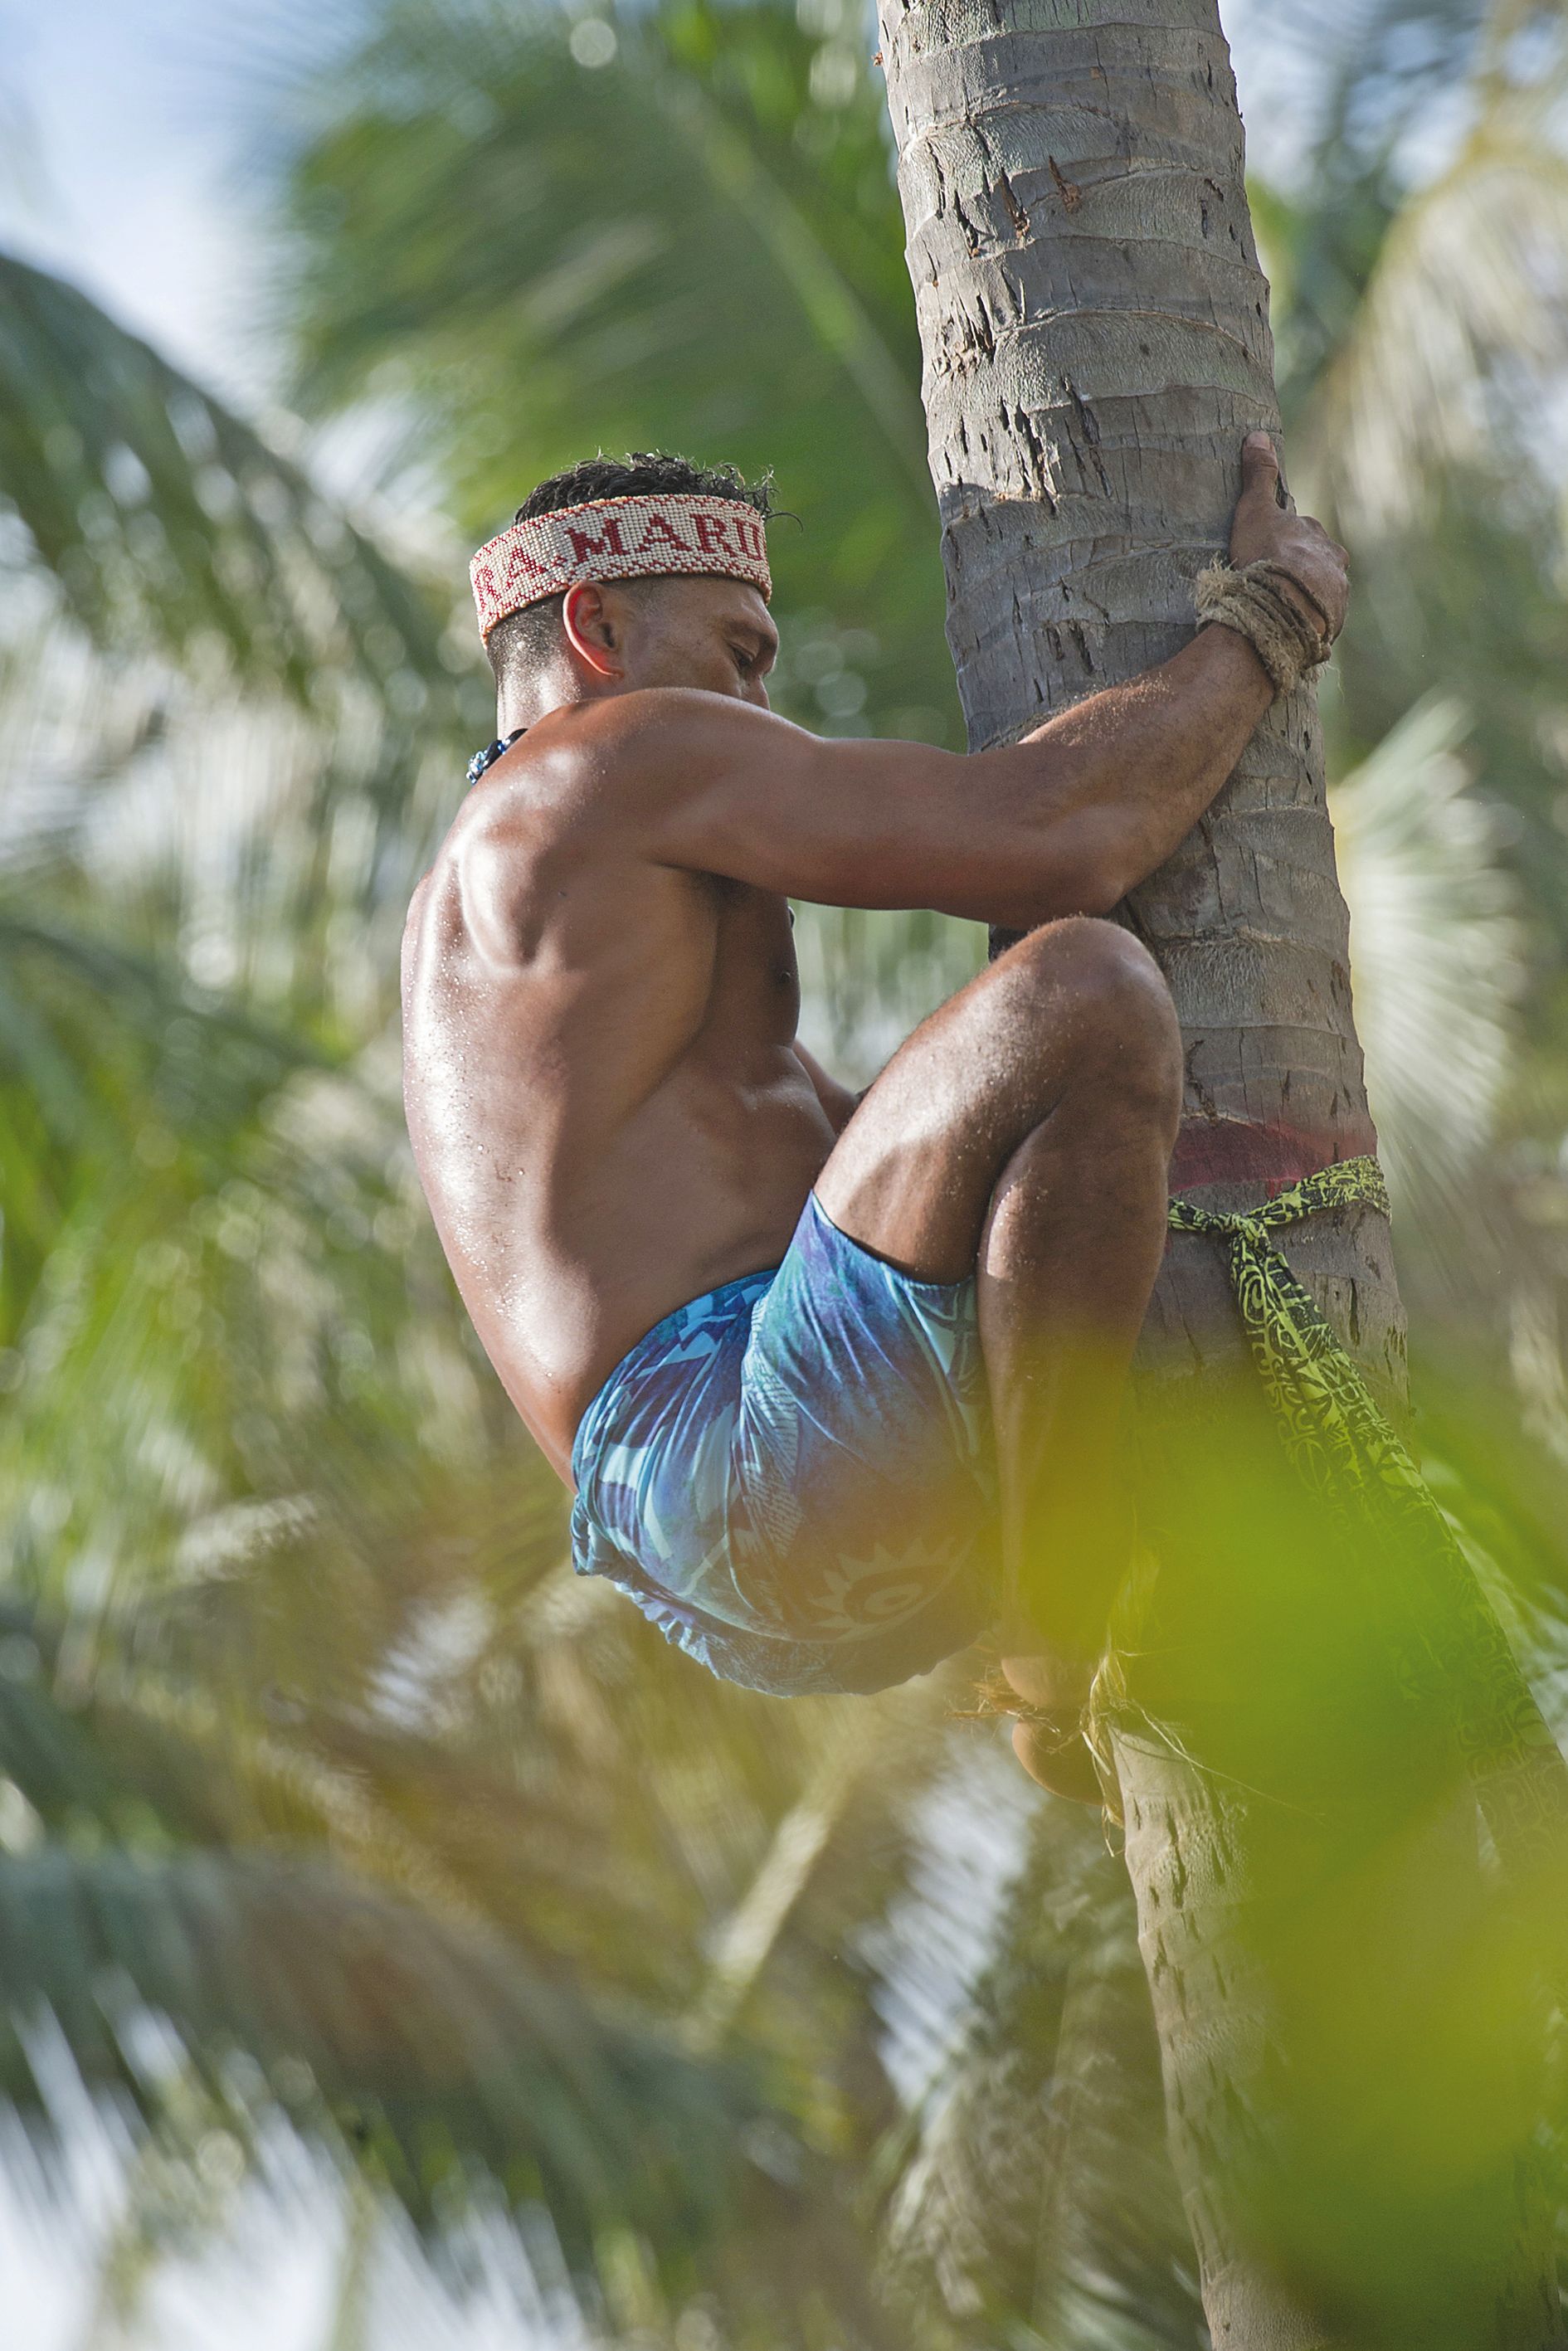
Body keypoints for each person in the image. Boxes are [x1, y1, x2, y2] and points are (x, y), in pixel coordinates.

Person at [402, 441, 1349, 1800]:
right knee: (1083, 988)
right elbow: (1058, 837)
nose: (758, 702)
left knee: (1035, 1060)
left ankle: (1042, 1593)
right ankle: (1054, 1627)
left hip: (752, 1549)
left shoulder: (534, 893)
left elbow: (882, 1151)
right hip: (740, 1444)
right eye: (737, 654)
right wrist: (1273, 613)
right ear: (596, 628)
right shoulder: (600, 763)